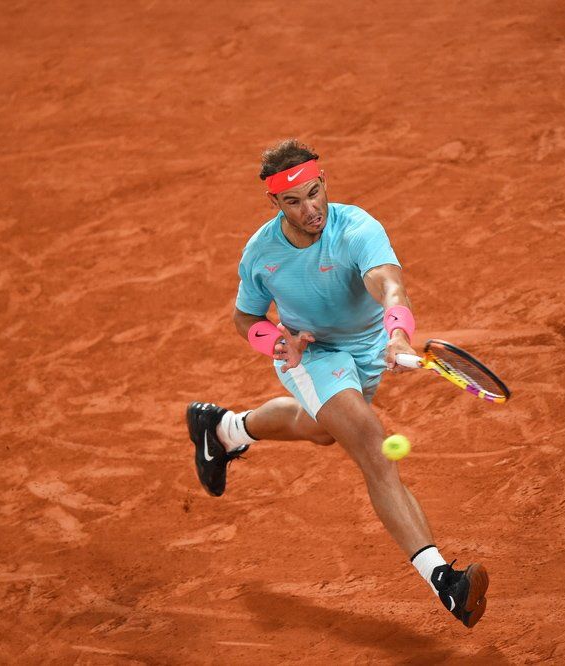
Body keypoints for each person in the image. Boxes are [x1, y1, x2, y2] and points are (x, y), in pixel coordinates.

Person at [186, 139, 488, 628]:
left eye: (313, 193)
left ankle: (223, 429)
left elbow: (389, 285)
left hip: (368, 351)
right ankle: (445, 582)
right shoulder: (261, 253)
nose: (310, 210)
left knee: (322, 429)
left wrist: (396, 334)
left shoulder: (357, 228)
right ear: (274, 201)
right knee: (371, 444)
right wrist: (276, 343)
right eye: (293, 201)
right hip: (311, 354)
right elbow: (245, 317)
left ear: (323, 181)